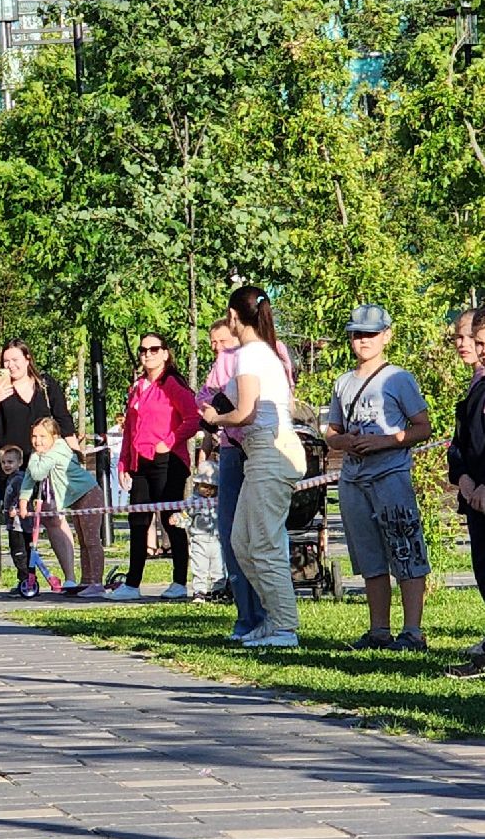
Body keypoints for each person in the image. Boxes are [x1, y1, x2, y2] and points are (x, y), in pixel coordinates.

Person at [199, 286, 303, 648]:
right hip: (260, 453)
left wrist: (215, 417)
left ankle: (285, 628)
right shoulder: (263, 353)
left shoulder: (250, 354)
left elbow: (245, 412)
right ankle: (273, 620)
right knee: (241, 542)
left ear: (233, 317)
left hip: (271, 452)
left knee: (264, 544)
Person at [325, 305, 433, 651]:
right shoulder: (343, 382)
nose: (363, 340)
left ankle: (413, 631)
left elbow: (423, 427)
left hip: (390, 477)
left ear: (386, 336)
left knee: (405, 549)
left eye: (370, 334)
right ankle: (379, 630)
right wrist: (347, 442)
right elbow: (331, 432)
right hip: (353, 479)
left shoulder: (398, 379)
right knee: (369, 556)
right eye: (357, 334)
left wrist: (384, 442)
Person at [0, 341, 81, 590]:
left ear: (27, 359)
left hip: (45, 464)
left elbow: (64, 421)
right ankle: (26, 577)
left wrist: (75, 454)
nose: (11, 365)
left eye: (15, 360)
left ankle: (69, 577)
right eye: (6, 361)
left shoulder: (45, 386)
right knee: (18, 524)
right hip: (12, 468)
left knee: (54, 519)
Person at [107, 333, 200, 601]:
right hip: (141, 462)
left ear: (165, 353)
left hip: (168, 462)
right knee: (138, 520)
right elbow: (130, 429)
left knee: (171, 519)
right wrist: (124, 462)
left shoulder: (171, 383)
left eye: (154, 349)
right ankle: (132, 584)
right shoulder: (137, 387)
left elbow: (193, 419)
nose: (147, 354)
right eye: (143, 350)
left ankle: (180, 582)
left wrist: (168, 442)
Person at [19, 417, 107, 596]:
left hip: (89, 494)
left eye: (43, 436)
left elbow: (37, 473)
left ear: (55, 437)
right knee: (83, 541)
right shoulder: (42, 454)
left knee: (91, 540)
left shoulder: (57, 451)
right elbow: (29, 477)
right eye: (34, 436)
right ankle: (86, 580)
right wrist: (23, 501)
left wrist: (35, 456)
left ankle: (97, 582)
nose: (37, 441)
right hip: (76, 499)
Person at [446, 311, 485, 677]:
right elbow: (461, 443)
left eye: (475, 339)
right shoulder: (476, 388)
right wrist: (463, 478)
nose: (471, 346)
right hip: (475, 495)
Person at [185, 438, 225, 599]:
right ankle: (199, 590)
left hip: (217, 539)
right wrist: (178, 519)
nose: (208, 490)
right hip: (199, 539)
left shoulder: (221, 501)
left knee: (219, 566)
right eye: (205, 486)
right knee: (199, 566)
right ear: (197, 485)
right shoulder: (193, 501)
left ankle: (218, 590)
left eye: (212, 487)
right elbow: (187, 516)